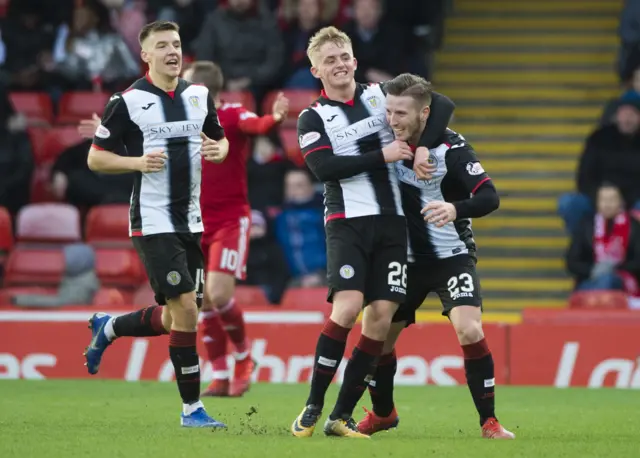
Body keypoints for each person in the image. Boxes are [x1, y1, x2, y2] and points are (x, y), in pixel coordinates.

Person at [290, 26, 454, 438]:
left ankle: (340, 417)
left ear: (355, 60)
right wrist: (383, 154)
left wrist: (418, 148)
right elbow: (323, 169)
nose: (340, 64)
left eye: (344, 56)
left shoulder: (381, 95)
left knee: (379, 321)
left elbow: (443, 104)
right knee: (347, 309)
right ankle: (312, 405)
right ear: (315, 70)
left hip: (393, 223)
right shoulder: (313, 116)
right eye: (330, 60)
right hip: (347, 222)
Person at [82, 21, 229, 429]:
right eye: (162, 45)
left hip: (191, 220)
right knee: (184, 308)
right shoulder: (126, 102)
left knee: (177, 318)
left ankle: (109, 326)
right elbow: (96, 158)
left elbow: (219, 139)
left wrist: (219, 149)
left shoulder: (199, 95)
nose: (172, 51)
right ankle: (191, 410)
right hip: (152, 218)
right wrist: (136, 162)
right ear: (145, 55)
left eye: (177, 44)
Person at [355, 73, 514, 439]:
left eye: (401, 114)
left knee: (469, 328)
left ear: (424, 114)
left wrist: (455, 209)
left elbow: (490, 197)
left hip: (451, 256)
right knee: (377, 337)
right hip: (403, 260)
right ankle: (383, 414)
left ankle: (489, 422)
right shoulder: (385, 139)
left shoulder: (452, 149)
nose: (392, 120)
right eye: (390, 112)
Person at [181, 61, 289, 397]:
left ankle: (244, 358)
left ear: (199, 90)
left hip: (230, 220)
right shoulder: (181, 124)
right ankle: (220, 373)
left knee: (220, 293)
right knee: (203, 303)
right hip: (195, 223)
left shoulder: (231, 115)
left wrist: (275, 120)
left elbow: (256, 125)